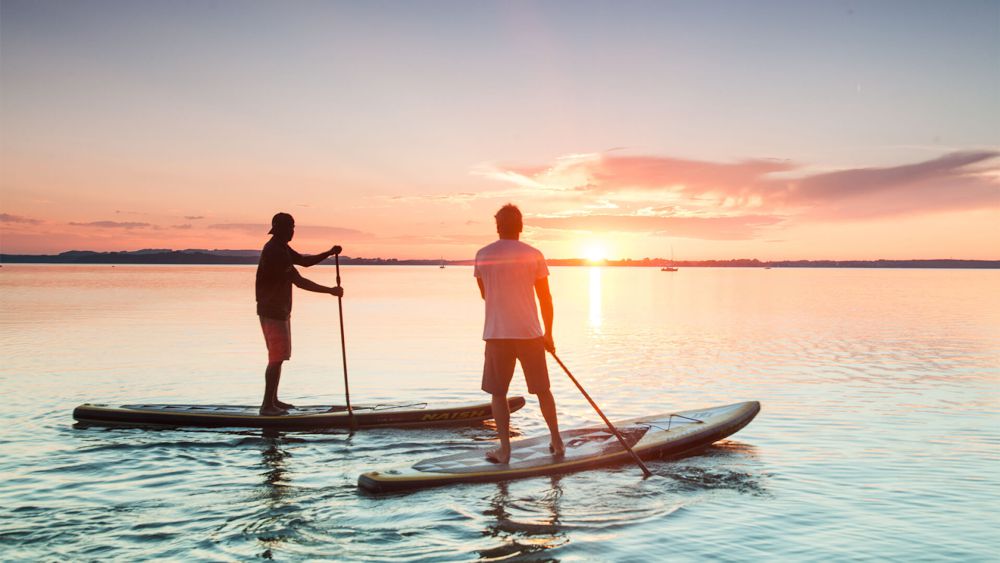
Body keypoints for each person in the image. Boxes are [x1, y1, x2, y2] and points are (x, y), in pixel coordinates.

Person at [474, 204, 564, 464]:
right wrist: (549, 334)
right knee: (543, 390)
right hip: (530, 334)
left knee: (498, 393)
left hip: (496, 333)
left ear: (498, 227)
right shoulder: (534, 254)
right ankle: (557, 441)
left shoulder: (482, 254)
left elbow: (485, 294)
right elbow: (545, 298)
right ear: (521, 227)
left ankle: (505, 451)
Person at [256, 212, 343, 416]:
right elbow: (299, 280)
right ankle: (266, 406)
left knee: (279, 356)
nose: (293, 231)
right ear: (280, 229)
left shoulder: (281, 247)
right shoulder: (274, 250)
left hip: (281, 310)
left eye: (293, 226)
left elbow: (304, 261)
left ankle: (273, 400)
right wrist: (330, 290)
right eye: (290, 227)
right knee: (276, 357)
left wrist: (329, 253)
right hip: (272, 310)